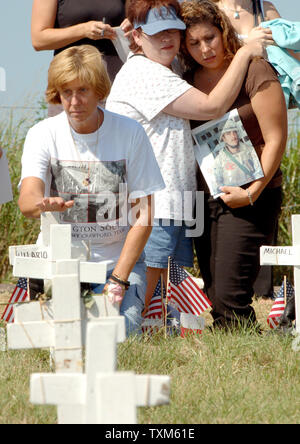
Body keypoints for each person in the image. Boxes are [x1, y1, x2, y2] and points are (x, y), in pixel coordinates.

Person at [106, 0, 267, 317]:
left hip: (175, 202)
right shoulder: (144, 73)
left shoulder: (168, 70)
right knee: (149, 301)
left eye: (174, 31)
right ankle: (146, 349)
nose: (167, 39)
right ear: (137, 36)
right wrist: (247, 52)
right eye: (156, 33)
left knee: (170, 298)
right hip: (151, 206)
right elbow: (211, 107)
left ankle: (165, 344)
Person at [18, 45, 166, 336]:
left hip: (117, 264)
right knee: (61, 338)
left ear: (99, 90)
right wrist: (42, 203)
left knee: (119, 337)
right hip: (60, 265)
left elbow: (144, 215)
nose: (74, 102)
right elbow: (27, 199)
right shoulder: (41, 133)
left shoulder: (130, 132)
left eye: (83, 90)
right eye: (66, 92)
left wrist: (119, 280)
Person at [180, 0, 287, 329]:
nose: (205, 49)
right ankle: (230, 349)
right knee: (215, 294)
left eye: (209, 37)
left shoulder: (255, 68)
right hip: (205, 197)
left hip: (251, 195)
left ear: (222, 30)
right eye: (194, 43)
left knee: (230, 295)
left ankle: (248, 353)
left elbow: (276, 138)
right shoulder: (186, 79)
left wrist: (253, 192)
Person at [31, 0, 132, 115]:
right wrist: (84, 30)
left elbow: (142, 18)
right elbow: (39, 39)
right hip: (69, 78)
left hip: (113, 78)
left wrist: (136, 23)